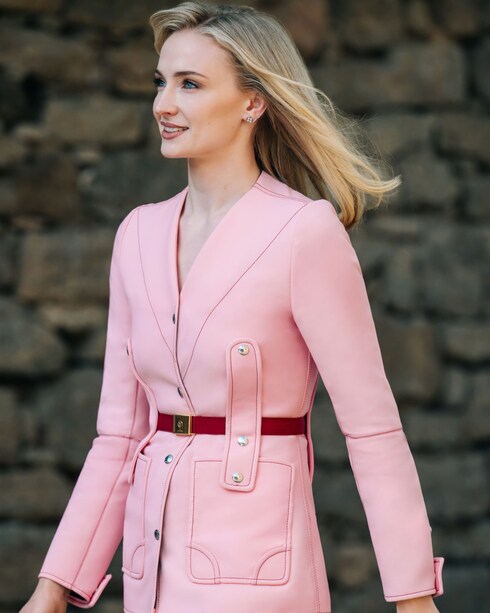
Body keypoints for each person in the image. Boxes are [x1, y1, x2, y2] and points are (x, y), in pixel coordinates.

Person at [21, 2, 445, 612]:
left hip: (258, 565)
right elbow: (118, 435)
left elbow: (372, 428)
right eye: (161, 82)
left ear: (253, 102)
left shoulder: (303, 232)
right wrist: (54, 585)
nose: (163, 104)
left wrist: (413, 597)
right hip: (150, 566)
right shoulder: (137, 234)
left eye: (190, 84)